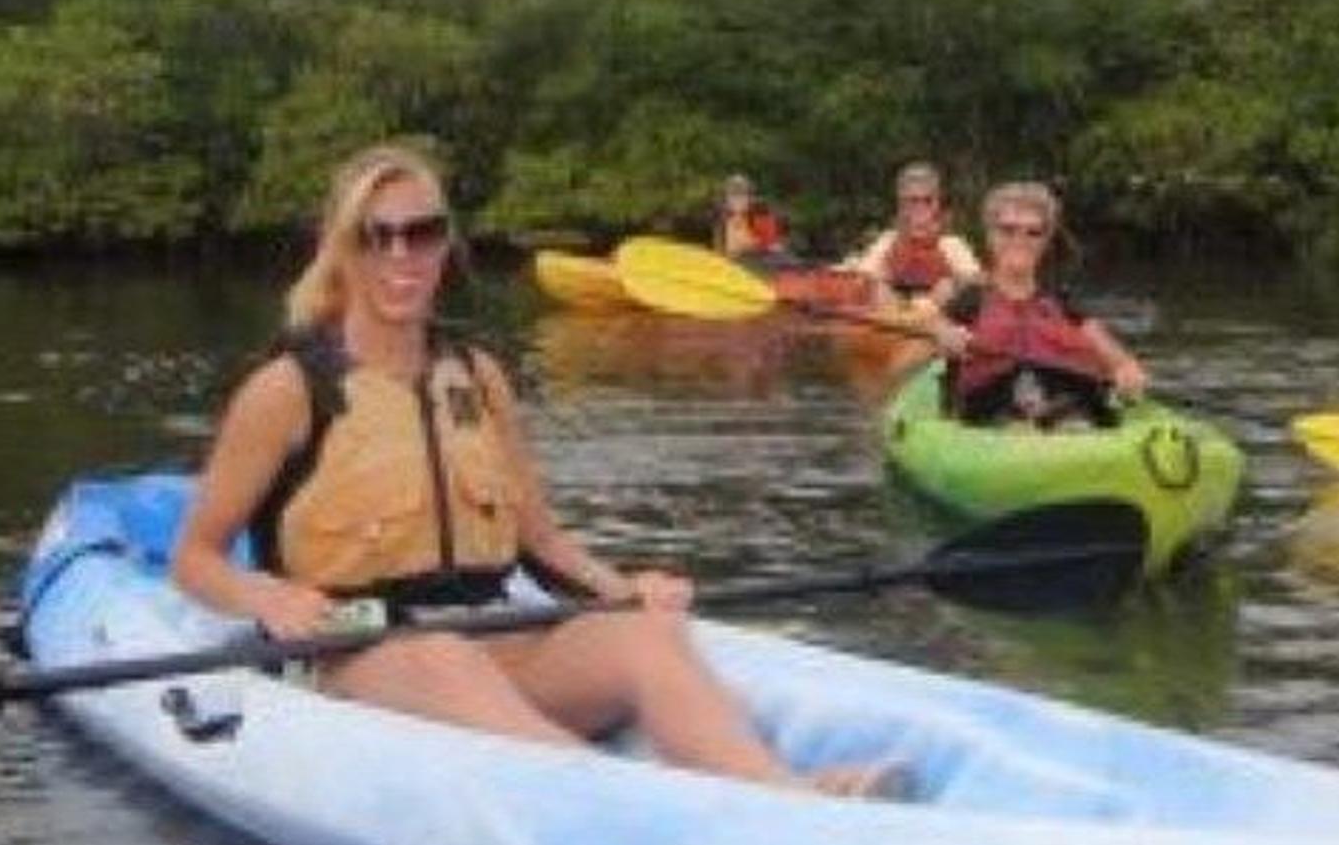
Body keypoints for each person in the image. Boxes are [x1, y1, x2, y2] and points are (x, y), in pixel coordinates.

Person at [172, 143, 889, 796]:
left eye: (421, 232)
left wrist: (624, 590)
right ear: (343, 250)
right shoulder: (288, 389)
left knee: (644, 637)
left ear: (445, 243)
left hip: (496, 634)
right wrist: (266, 597)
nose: (402, 255)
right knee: (441, 658)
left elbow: (540, 540)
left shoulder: (478, 376)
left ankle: (786, 793)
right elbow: (195, 559)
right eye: (376, 235)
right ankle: (627, 801)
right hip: (362, 652)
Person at [932, 181, 1148, 428]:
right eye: (1008, 230)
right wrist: (944, 337)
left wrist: (1126, 371)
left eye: (1033, 232)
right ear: (990, 235)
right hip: (994, 414)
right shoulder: (969, 300)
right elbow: (938, 330)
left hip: (1068, 407)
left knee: (1076, 413)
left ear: (1046, 239)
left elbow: (1115, 356)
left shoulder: (1063, 302)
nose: (1020, 240)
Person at [842, 161, 983, 311]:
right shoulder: (887, 241)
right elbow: (863, 275)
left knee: (950, 287)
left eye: (927, 201)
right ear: (901, 206)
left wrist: (955, 283)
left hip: (937, 322)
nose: (920, 209)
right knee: (875, 289)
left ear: (938, 204)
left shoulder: (951, 244)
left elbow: (976, 279)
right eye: (912, 202)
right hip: (894, 319)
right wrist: (878, 282)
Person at [712, 173, 789, 260]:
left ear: (750, 197)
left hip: (759, 260)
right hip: (733, 262)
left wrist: (753, 245)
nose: (738, 200)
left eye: (742, 195)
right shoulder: (723, 218)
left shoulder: (760, 215)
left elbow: (772, 245)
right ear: (726, 198)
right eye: (733, 195)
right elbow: (720, 249)